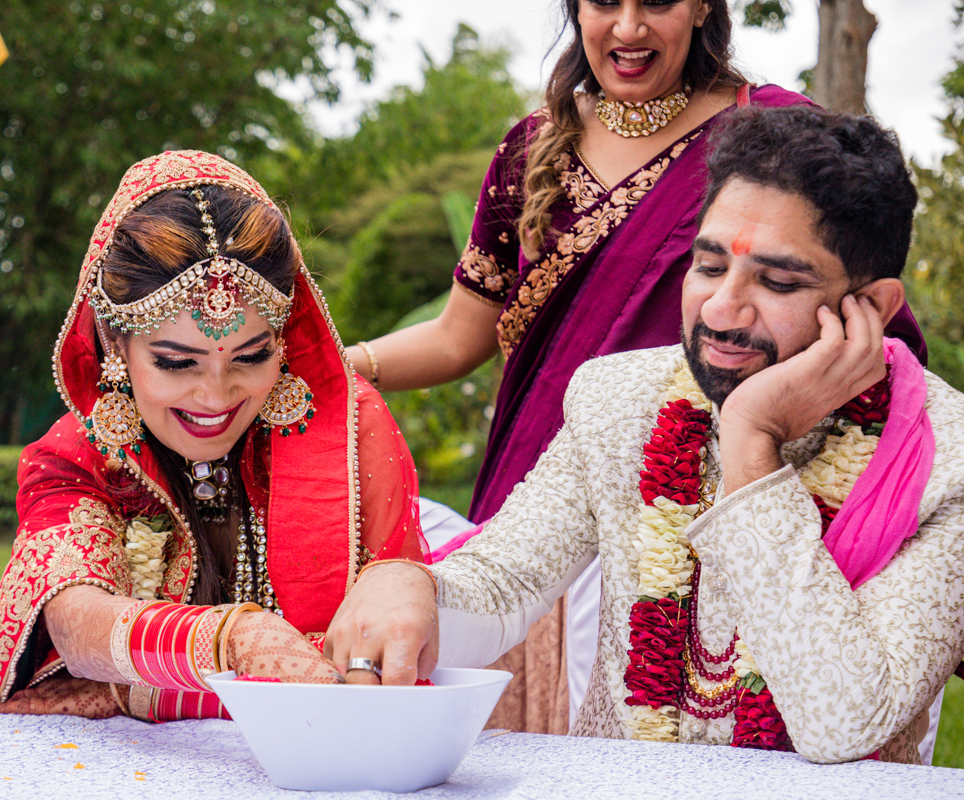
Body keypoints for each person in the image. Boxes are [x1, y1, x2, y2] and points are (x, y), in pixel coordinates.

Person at [348, 0, 924, 736]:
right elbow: (462, 334)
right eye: (602, 3)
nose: (627, 28)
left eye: (655, 1)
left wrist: (759, 434)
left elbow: (865, 337)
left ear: (702, 6)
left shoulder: (769, 141)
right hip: (552, 484)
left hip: (726, 489)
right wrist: (342, 366)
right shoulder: (534, 151)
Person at [0, 150, 427, 721]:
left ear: (283, 335)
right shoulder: (80, 457)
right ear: (113, 341)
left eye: (250, 357)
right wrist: (229, 639)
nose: (215, 397)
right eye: (177, 363)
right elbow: (77, 622)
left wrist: (132, 691)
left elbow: (394, 647)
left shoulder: (348, 431)